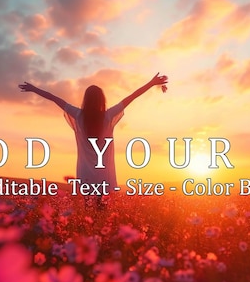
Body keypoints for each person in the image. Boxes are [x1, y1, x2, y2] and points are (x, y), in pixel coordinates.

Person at [18, 73, 168, 209]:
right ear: (102, 100)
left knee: (89, 210)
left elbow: (55, 98)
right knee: (102, 211)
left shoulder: (78, 115)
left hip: (85, 173)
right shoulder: (108, 116)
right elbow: (132, 97)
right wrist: (151, 83)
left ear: (86, 100)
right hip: (104, 174)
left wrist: (34, 89)